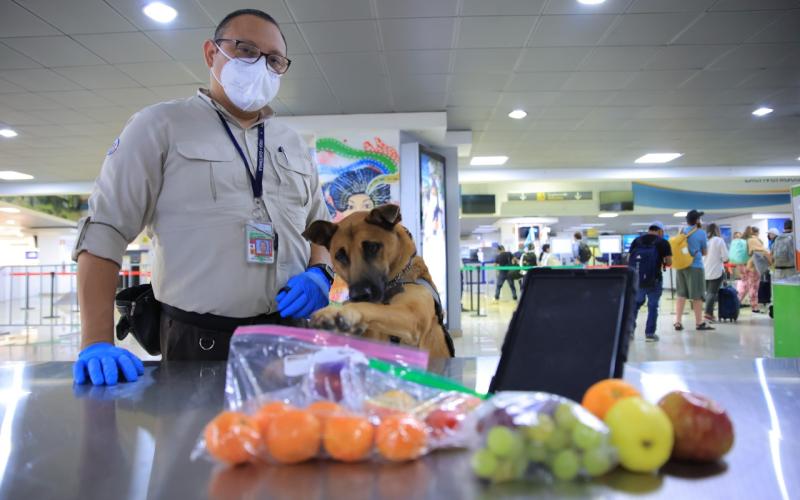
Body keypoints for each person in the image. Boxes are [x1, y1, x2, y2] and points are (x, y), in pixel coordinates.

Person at [72, 9, 334, 386]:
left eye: (274, 60)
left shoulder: (292, 143)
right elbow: (104, 232)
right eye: (245, 50)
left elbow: (318, 230)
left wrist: (320, 273)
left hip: (289, 335)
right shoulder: (160, 126)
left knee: (289, 441)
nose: (260, 65)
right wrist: (95, 340)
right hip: (198, 340)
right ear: (212, 53)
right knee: (196, 445)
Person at [629, 222, 672, 342]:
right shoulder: (663, 242)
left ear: (649, 230)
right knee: (653, 306)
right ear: (660, 231)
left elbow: (630, 259)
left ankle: (630, 332)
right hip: (654, 280)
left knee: (635, 305)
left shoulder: (637, 241)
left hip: (637, 280)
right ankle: (650, 334)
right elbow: (669, 262)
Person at [674, 210, 713, 331]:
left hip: (680, 266)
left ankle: (678, 322)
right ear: (697, 220)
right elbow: (705, 252)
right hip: (695, 267)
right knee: (697, 296)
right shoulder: (701, 233)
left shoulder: (681, 231)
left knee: (681, 294)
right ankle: (699, 322)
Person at [740, 226, 772, 313]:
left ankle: (735, 303)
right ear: (756, 232)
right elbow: (762, 251)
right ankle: (754, 307)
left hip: (744, 266)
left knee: (745, 286)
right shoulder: (754, 240)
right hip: (753, 267)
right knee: (753, 287)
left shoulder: (744, 239)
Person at [703, 223, 729, 323]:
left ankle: (710, 313)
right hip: (716, 271)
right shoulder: (719, 240)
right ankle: (707, 314)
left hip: (704, 270)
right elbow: (725, 257)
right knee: (712, 293)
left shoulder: (705, 241)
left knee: (708, 293)